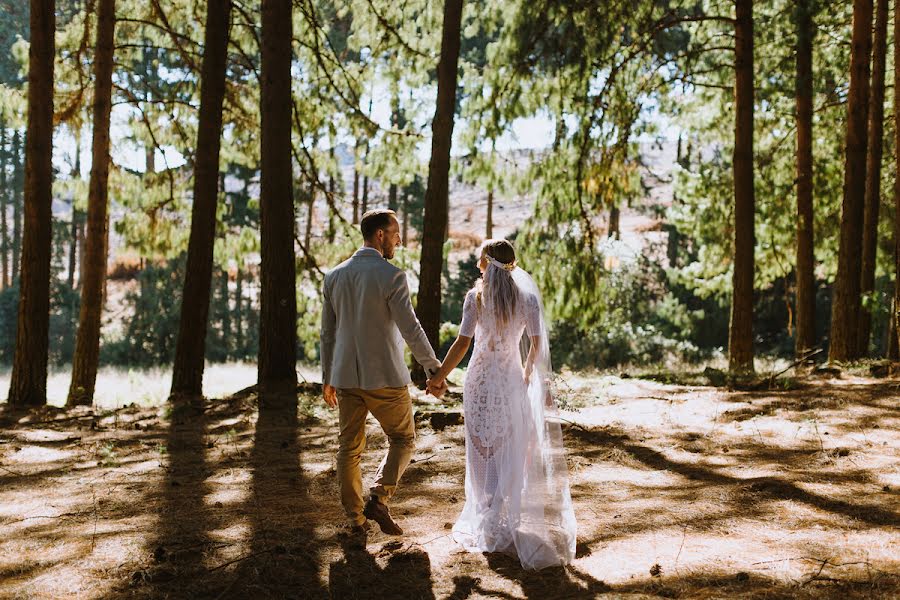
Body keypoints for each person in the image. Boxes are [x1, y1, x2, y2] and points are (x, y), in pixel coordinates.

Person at [427, 239, 577, 570]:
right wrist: (525, 375)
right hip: (509, 382)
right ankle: (499, 515)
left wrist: (439, 376)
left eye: (481, 258)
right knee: (506, 445)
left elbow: (462, 343)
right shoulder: (527, 299)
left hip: (480, 382)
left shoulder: (476, 298)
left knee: (480, 446)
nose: (477, 263)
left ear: (488, 263)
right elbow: (536, 343)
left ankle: (487, 515)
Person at [320, 208, 448, 536]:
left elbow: (328, 333)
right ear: (380, 235)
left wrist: (327, 376)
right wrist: (432, 368)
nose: (399, 239)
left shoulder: (334, 276)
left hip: (346, 377)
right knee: (404, 439)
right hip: (386, 378)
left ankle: (355, 521)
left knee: (348, 447)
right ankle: (379, 497)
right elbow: (411, 327)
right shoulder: (391, 276)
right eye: (395, 233)